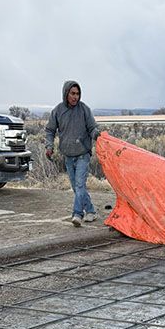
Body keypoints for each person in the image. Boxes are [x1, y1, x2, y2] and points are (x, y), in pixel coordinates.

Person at [45, 80, 101, 226]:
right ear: (66, 93)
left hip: (83, 153)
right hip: (68, 155)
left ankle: (77, 214)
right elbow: (50, 130)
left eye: (77, 94)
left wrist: (97, 135)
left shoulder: (84, 110)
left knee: (80, 184)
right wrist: (49, 146)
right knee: (77, 187)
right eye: (72, 93)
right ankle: (91, 211)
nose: (75, 97)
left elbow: (92, 128)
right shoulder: (58, 111)